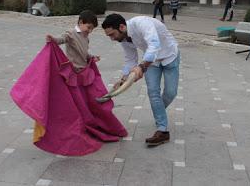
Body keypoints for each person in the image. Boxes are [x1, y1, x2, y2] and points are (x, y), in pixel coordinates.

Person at [11, 10, 127, 156]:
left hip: (84, 73)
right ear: (80, 22)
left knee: (94, 100)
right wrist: (53, 39)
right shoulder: (71, 33)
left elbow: (84, 53)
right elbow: (61, 39)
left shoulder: (86, 37)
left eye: (92, 29)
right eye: (88, 27)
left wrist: (92, 57)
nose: (89, 31)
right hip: (74, 75)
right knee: (80, 103)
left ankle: (96, 123)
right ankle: (84, 124)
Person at [102, 14, 180, 146]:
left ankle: (159, 111)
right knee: (153, 92)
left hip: (170, 56)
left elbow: (154, 44)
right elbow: (130, 59)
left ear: (121, 27)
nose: (112, 38)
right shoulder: (124, 38)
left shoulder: (142, 23)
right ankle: (162, 130)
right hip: (152, 64)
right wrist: (123, 78)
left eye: (112, 34)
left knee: (171, 93)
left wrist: (142, 67)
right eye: (109, 36)